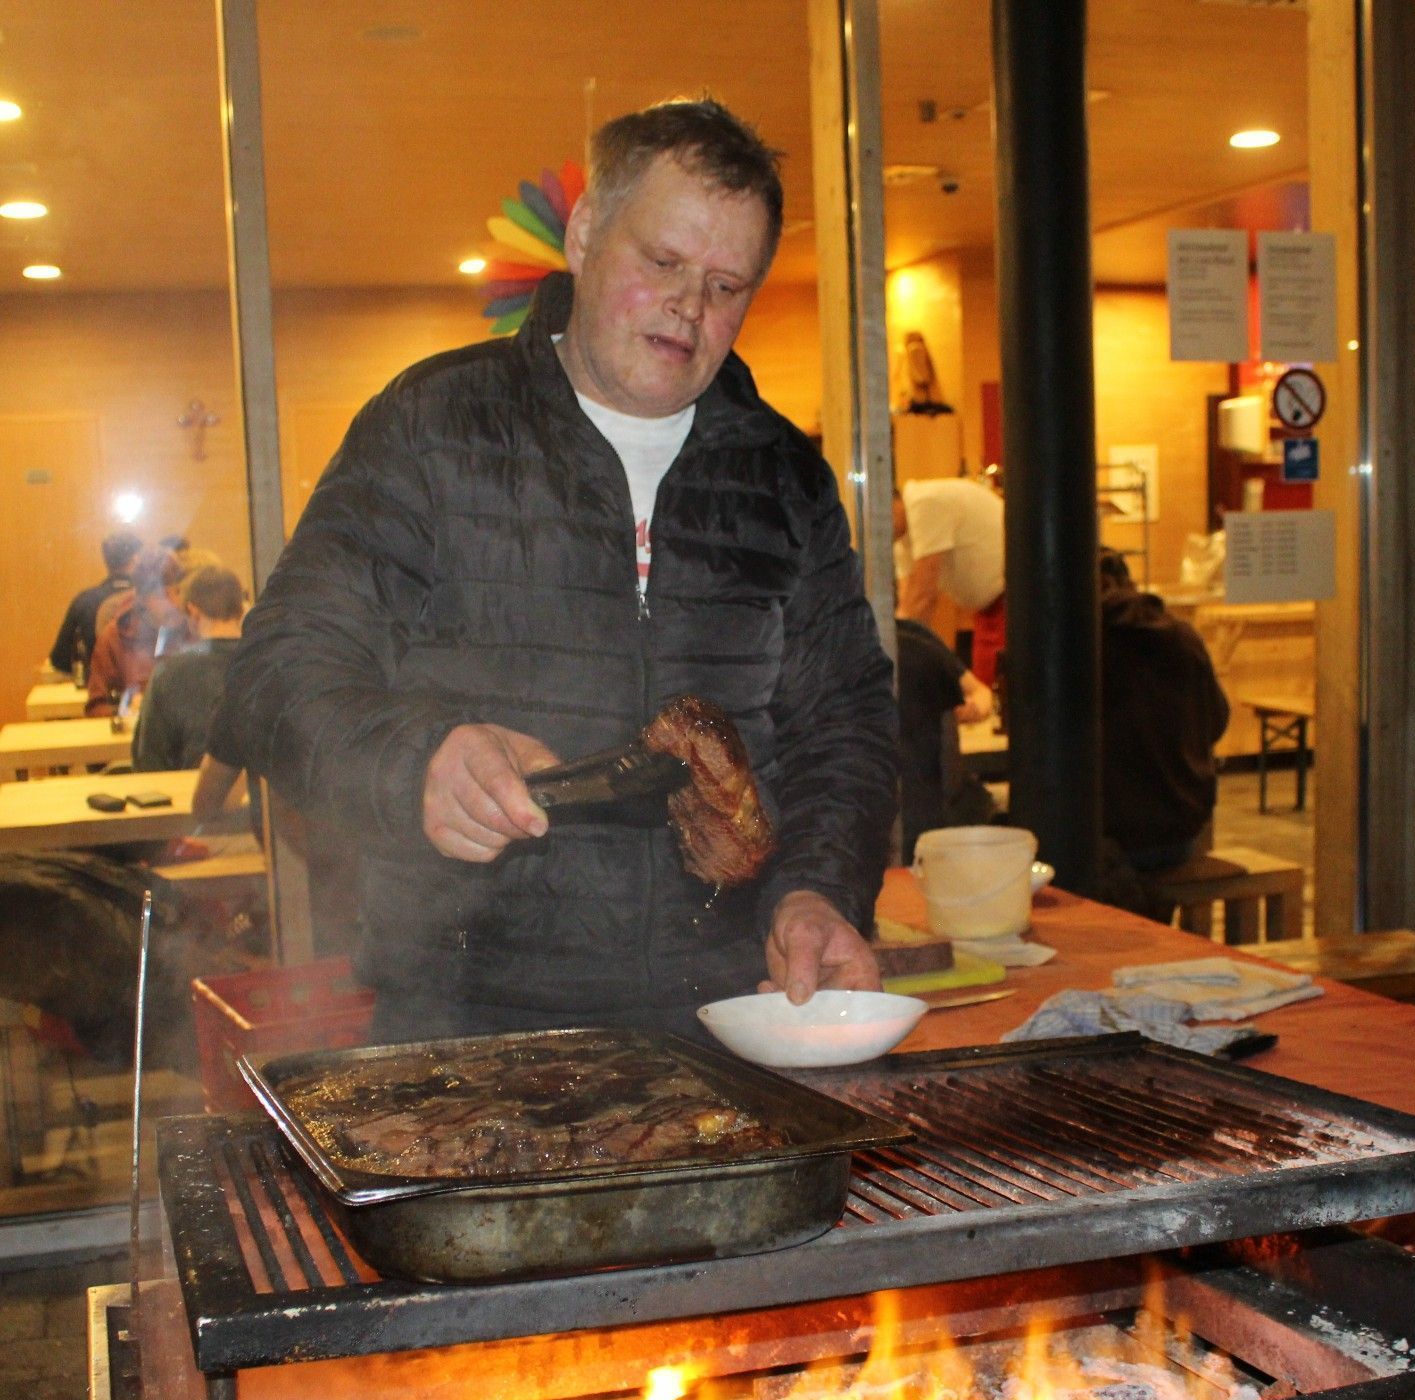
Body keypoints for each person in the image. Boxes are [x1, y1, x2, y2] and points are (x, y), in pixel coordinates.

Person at [210, 98, 898, 1041]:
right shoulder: (434, 426)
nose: (691, 308)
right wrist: (417, 762)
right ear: (582, 235)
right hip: (466, 1022)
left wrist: (817, 890)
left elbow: (845, 724)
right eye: (663, 262)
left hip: (729, 1020)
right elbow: (274, 673)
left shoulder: (781, 474)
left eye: (728, 285)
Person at [1098, 547, 1230, 872]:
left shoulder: (1082, 644)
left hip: (1111, 838)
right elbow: (1217, 720)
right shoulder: (1182, 636)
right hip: (1181, 829)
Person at [895, 618, 995, 863]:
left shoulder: (916, 638)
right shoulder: (917, 643)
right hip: (932, 825)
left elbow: (981, 694)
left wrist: (973, 708)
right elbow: (950, 779)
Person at [132, 566, 247, 771]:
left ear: (193, 611)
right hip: (263, 798)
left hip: (190, 796)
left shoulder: (168, 673)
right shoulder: (270, 664)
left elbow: (148, 760)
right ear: (241, 609)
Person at [895, 476, 1005, 684]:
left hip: (1014, 599)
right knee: (987, 691)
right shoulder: (900, 539)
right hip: (986, 609)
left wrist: (895, 655)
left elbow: (923, 597)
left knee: (999, 692)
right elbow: (907, 606)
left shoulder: (923, 502)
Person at [86, 546, 184, 716]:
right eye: (163, 595)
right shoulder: (115, 637)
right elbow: (96, 706)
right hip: (135, 736)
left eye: (178, 592)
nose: (175, 602)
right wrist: (126, 709)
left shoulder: (195, 628)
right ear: (143, 597)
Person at [48, 530, 141, 680]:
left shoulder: (84, 601)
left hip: (98, 693)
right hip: (145, 692)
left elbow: (60, 659)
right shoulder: (153, 600)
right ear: (136, 558)